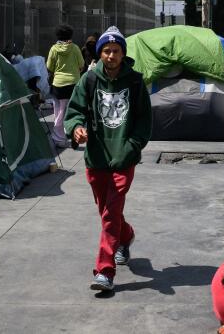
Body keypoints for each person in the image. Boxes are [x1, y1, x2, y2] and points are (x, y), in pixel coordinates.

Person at [64, 26, 152, 293]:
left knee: (111, 213)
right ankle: (125, 237)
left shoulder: (135, 82)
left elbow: (144, 122)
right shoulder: (89, 80)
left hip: (123, 159)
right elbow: (75, 111)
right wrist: (76, 128)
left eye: (115, 51)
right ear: (100, 53)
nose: (111, 55)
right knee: (107, 212)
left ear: (123, 53)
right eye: (106, 51)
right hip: (96, 158)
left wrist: (131, 147)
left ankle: (105, 270)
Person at [47, 24, 84, 149]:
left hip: (58, 84)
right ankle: (74, 134)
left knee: (58, 112)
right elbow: (82, 64)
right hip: (74, 83)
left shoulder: (53, 49)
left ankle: (59, 138)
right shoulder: (75, 48)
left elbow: (49, 67)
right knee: (74, 111)